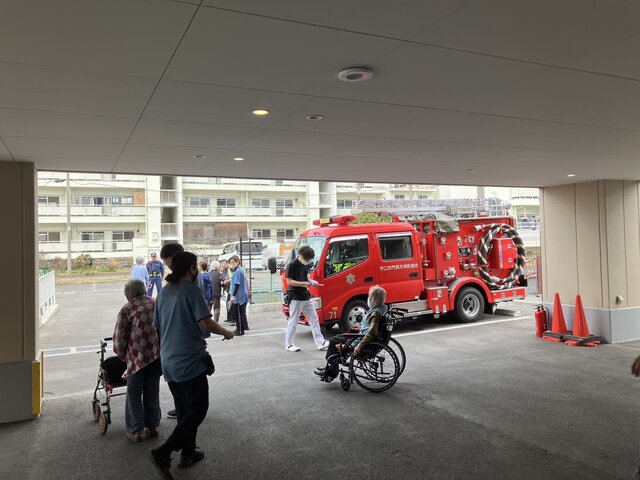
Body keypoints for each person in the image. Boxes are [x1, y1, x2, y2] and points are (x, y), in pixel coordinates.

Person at [150, 251, 234, 479]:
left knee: (185, 412)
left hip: (169, 361)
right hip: (188, 361)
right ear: (191, 269)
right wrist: (227, 332)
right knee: (198, 410)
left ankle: (188, 453)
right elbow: (206, 322)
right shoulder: (191, 290)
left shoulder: (164, 293)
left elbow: (157, 327)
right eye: (195, 266)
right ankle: (164, 452)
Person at [113, 279, 161, 443]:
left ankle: (136, 430)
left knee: (133, 393)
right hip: (156, 355)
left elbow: (119, 338)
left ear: (128, 295)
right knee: (152, 391)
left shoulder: (127, 308)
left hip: (136, 357)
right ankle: (153, 427)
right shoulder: (156, 303)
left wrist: (123, 356)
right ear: (144, 290)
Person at [314, 285, 387, 382]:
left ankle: (331, 372)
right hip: (362, 337)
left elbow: (372, 332)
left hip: (361, 340)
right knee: (338, 337)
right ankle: (330, 367)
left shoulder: (375, 314)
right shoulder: (381, 309)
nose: (369, 299)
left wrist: (359, 346)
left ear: (376, 299)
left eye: (371, 297)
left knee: (333, 341)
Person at [284, 245, 329, 352]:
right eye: (306, 259)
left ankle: (320, 342)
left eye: (309, 260)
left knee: (314, 319)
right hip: (295, 296)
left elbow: (307, 277)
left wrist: (312, 282)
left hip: (305, 296)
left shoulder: (306, 265)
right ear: (300, 255)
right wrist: (303, 284)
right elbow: (289, 281)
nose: (307, 261)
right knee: (293, 321)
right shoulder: (292, 265)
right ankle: (289, 344)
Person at [159, 242, 185, 422]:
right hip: (175, 341)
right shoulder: (169, 288)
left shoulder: (188, 283)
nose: (167, 264)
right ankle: (182, 407)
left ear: (172, 257)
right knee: (178, 380)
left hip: (180, 342)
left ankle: (184, 410)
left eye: (166, 260)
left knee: (182, 380)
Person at [229, 255, 249, 336]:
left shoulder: (238, 271)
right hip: (240, 295)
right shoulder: (238, 270)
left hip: (238, 297)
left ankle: (240, 330)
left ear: (238, 262)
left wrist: (233, 296)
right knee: (239, 314)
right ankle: (239, 329)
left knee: (238, 314)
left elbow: (237, 284)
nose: (232, 264)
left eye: (233, 262)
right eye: (231, 262)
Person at [219, 259, 235, 325]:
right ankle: (229, 318)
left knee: (231, 304)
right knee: (227, 304)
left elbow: (232, 278)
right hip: (227, 290)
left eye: (224, 263)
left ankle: (233, 319)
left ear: (227, 263)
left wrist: (226, 281)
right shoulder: (223, 271)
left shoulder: (230, 269)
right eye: (222, 263)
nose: (223, 264)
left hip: (231, 289)